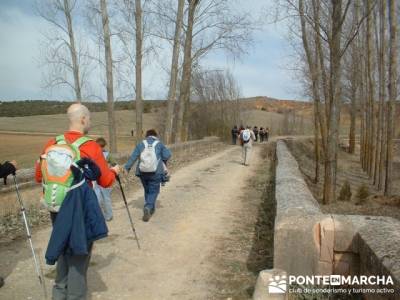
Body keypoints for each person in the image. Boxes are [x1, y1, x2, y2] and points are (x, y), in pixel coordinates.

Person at [35, 103, 120, 300]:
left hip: (56, 206)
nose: (89, 122)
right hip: (79, 209)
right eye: (88, 118)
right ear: (83, 119)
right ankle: (75, 296)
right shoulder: (90, 146)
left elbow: (39, 176)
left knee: (63, 249)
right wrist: (114, 171)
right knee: (79, 256)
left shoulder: (51, 143)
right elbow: (105, 181)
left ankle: (59, 294)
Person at [124, 129, 171, 222]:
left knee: (147, 189)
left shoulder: (141, 144)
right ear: (155, 135)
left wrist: (127, 168)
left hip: (142, 172)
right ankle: (148, 207)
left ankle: (151, 209)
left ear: (147, 135)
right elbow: (167, 155)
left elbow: (133, 156)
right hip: (156, 172)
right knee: (154, 191)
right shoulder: (159, 144)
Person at [93, 137, 115, 221]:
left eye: (101, 147)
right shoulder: (95, 155)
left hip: (104, 181)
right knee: (99, 198)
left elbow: (114, 164)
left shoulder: (107, 155)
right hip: (97, 180)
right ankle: (101, 215)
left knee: (105, 198)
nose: (100, 148)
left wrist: (113, 172)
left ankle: (108, 215)